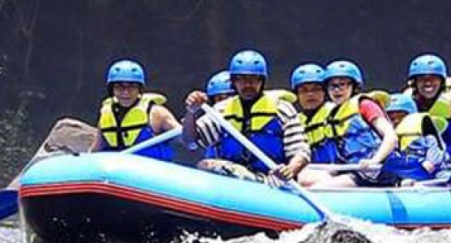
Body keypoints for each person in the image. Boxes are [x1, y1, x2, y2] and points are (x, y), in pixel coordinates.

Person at [181, 49, 309, 182]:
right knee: (205, 165)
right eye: (241, 79)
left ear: (262, 81)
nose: (248, 85)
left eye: (253, 79)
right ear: (234, 82)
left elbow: (301, 151)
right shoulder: (221, 110)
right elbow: (191, 142)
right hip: (232, 178)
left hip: (272, 181)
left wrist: (290, 170)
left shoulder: (282, 109)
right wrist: (191, 113)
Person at [315, 59, 400, 188]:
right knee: (306, 179)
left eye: (343, 84)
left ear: (353, 86)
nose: (337, 90)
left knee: (319, 189)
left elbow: (391, 138)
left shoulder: (365, 105)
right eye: (332, 86)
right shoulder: (332, 116)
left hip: (376, 170)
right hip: (353, 169)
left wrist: (374, 161)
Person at [92, 59, 180, 161]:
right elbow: (96, 149)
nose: (125, 92)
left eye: (132, 87)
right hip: (119, 172)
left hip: (151, 171)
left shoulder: (156, 113)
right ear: (112, 89)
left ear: (140, 89)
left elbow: (187, 140)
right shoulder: (106, 114)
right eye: (119, 87)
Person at [384, 93, 451, 182]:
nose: (396, 121)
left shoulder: (426, 135)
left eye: (401, 117)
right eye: (391, 118)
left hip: (435, 172)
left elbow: (436, 148)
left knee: (445, 175)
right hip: (409, 175)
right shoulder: (387, 141)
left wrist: (430, 161)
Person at [289, 63, 336, 165]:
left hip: (336, 169)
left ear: (325, 92)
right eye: (304, 90)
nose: (310, 94)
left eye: (315, 89)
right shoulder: (294, 121)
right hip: (305, 169)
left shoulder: (335, 112)